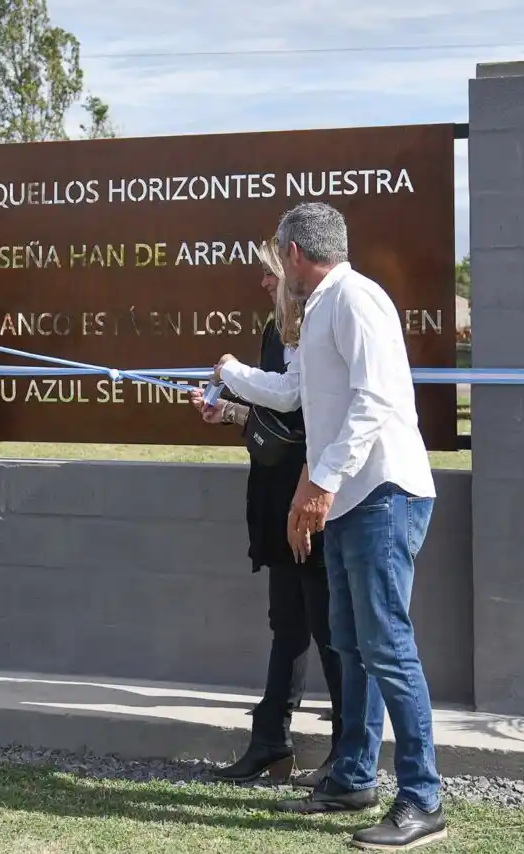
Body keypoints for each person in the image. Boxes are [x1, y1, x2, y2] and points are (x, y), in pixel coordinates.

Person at [213, 202, 444, 850]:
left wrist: (318, 482)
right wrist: (230, 375)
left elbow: (375, 401)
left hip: (383, 495)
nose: (272, 275)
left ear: (291, 255)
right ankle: (352, 775)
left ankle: (423, 798)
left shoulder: (355, 300)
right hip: (349, 500)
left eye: (274, 259)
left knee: (387, 645)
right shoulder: (317, 312)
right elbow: (294, 397)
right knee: (352, 642)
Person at [189, 237, 342, 790]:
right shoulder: (274, 333)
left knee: (328, 626)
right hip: (276, 490)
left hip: (313, 492)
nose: (263, 284)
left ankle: (347, 753)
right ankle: (270, 742)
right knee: (287, 625)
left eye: (269, 274)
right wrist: (229, 411)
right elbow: (274, 421)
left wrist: (231, 374)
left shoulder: (324, 327)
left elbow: (303, 411)